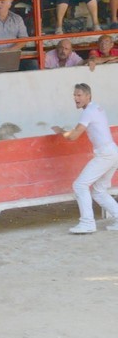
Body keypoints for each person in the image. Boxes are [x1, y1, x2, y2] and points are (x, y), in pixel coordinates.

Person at [51, 83, 118, 233]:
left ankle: (87, 223)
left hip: (105, 154)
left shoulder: (88, 112)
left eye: (79, 95)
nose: (76, 98)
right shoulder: (96, 108)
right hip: (112, 151)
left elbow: (74, 136)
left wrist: (61, 131)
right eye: (74, 95)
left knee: (80, 185)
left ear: (88, 96)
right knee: (99, 190)